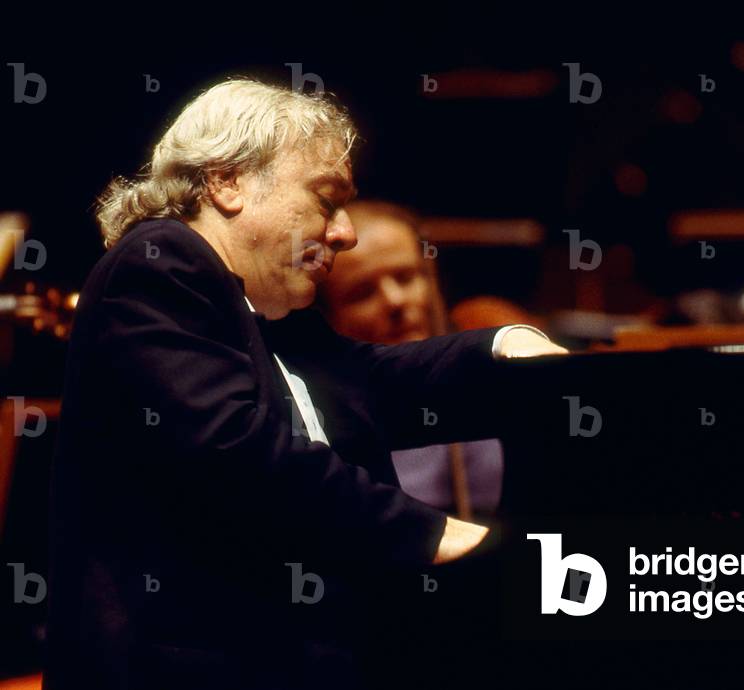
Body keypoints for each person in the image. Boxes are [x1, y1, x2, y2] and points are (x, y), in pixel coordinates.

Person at [45, 78, 565, 690]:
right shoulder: (160, 262)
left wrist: (501, 345)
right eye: (326, 200)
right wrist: (439, 534)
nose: (343, 233)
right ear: (226, 182)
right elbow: (236, 451)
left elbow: (372, 381)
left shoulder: (265, 314)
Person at [315, 200, 508, 518]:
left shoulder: (493, 349)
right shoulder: (321, 419)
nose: (395, 301)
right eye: (362, 292)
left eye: (406, 277)